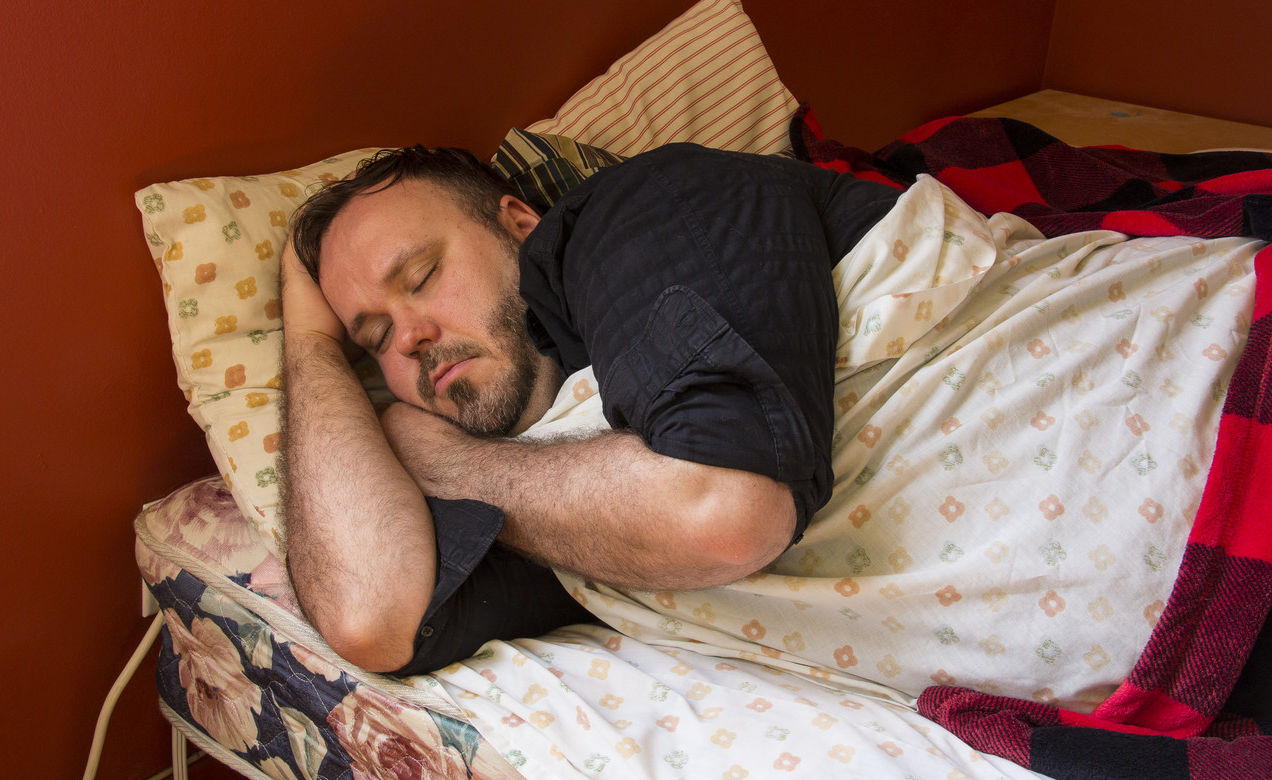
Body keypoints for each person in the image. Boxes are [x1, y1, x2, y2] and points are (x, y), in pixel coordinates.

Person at [279, 143, 902, 674]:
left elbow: (723, 511)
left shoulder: (636, 211)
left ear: (520, 226)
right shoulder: (558, 497)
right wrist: (310, 345)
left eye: (421, 277)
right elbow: (370, 618)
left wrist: (446, 463)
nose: (408, 337)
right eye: (375, 339)